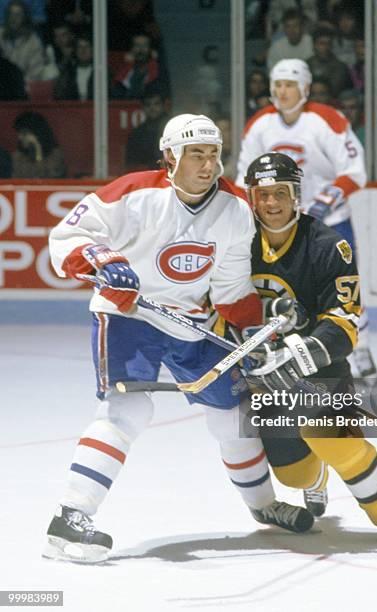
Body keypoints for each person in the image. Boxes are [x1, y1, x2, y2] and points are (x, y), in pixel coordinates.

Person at [44, 113, 313, 564]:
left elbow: (230, 290)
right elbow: (67, 235)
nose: (208, 165)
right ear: (170, 157)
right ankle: (69, 517)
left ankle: (264, 506)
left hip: (189, 321)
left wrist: (254, 336)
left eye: (213, 154)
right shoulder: (136, 193)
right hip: (128, 315)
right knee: (127, 409)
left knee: (232, 414)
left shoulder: (234, 210)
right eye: (196, 155)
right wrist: (103, 260)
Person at [242, 152, 377, 546]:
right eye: (263, 195)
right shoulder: (237, 244)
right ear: (251, 198)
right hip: (264, 381)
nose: (271, 204)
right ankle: (316, 477)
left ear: (296, 195)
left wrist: (297, 355)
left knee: (336, 442)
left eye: (280, 193)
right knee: (293, 475)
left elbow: (344, 324)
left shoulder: (328, 245)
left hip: (319, 373)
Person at [236, 58, 377, 377]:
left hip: (329, 219)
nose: (283, 92)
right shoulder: (260, 123)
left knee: (345, 284)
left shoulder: (327, 120)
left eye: (290, 85)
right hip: (280, 221)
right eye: (278, 85)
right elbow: (244, 174)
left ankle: (361, 345)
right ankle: (295, 344)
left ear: (305, 88)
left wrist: (323, 203)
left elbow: (355, 172)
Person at [124, 89, 170, 172]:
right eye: (148, 105)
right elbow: (131, 163)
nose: (152, 108)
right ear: (142, 108)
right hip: (145, 174)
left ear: (163, 106)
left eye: (156, 104)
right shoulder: (137, 134)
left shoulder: (172, 128)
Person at [12, 111, 66, 178]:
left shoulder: (55, 155)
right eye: (19, 133)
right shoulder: (18, 156)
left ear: (37, 134)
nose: (20, 137)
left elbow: (47, 176)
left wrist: (37, 148)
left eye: (25, 133)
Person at [111, 32, 161, 100]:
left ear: (151, 49)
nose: (141, 49)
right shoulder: (123, 72)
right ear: (131, 49)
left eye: (145, 45)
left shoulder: (159, 72)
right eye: (137, 45)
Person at [306, 28, 353, 99]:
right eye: (322, 43)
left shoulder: (341, 67)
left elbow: (336, 91)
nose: (326, 47)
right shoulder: (305, 65)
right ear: (314, 45)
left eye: (329, 43)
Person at [53, 32, 94, 100]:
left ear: (93, 50)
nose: (83, 50)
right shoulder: (67, 72)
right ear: (75, 50)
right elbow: (60, 96)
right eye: (80, 47)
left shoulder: (101, 72)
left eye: (87, 46)